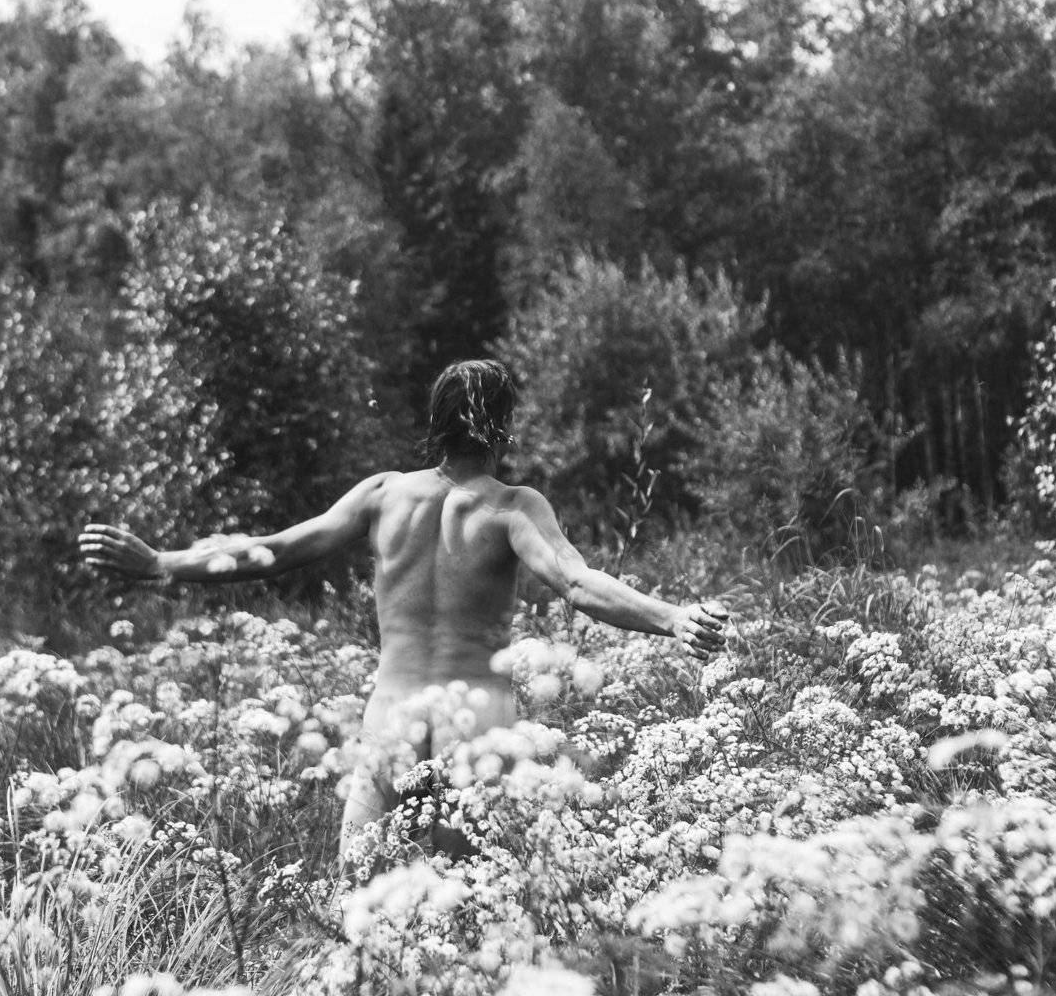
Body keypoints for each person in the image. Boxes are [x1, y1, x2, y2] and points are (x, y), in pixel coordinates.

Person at [78, 358, 730, 856]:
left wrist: (163, 562)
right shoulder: (512, 507)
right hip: (476, 730)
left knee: (363, 908)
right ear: (503, 427)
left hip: (390, 722)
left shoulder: (383, 495)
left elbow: (273, 551)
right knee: (469, 912)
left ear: (436, 424)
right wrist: (672, 617)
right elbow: (578, 584)